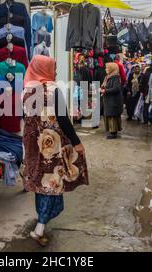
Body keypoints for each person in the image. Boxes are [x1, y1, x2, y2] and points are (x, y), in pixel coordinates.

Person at [23, 55, 89, 246]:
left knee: (40, 183)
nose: (56, 72)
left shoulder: (26, 90)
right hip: (51, 147)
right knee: (52, 183)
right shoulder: (53, 90)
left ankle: (40, 221)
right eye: (54, 68)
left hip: (34, 145)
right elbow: (63, 119)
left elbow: (25, 118)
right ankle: (40, 227)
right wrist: (77, 142)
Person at [101, 63, 123, 139]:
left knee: (112, 117)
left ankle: (113, 133)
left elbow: (116, 89)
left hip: (113, 100)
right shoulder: (109, 77)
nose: (105, 69)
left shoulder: (115, 77)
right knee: (111, 116)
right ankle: (112, 132)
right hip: (110, 100)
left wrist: (105, 91)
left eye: (107, 68)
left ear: (111, 69)